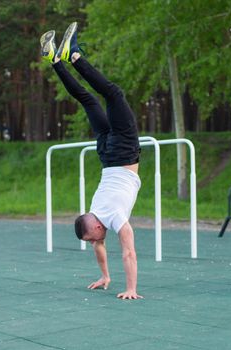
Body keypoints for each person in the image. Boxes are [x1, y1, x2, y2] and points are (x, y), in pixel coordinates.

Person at [40, 22, 143, 300]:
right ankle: (55, 62)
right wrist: (106, 276)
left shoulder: (114, 218)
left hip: (122, 152)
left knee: (114, 94)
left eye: (94, 238)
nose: (97, 242)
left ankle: (74, 56)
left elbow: (129, 251)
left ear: (96, 226)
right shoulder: (94, 210)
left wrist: (131, 289)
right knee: (88, 101)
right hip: (106, 155)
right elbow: (99, 245)